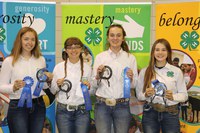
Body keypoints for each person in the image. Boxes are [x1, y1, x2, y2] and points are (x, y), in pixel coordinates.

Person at [0, 27, 53, 133]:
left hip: (38, 106)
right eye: (26, 39)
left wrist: (48, 80)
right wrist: (13, 87)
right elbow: (1, 86)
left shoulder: (41, 60)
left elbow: (44, 86)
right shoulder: (9, 61)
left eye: (33, 39)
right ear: (20, 40)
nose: (30, 42)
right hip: (18, 106)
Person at [92, 24, 138, 133]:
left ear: (123, 38)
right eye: (112, 35)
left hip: (122, 105)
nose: (115, 38)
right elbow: (93, 85)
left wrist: (131, 79)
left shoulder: (130, 58)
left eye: (118, 35)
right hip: (102, 105)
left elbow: (135, 85)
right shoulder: (100, 57)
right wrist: (98, 76)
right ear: (108, 38)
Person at [136, 38, 188, 133]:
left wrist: (173, 97)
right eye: (157, 50)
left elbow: (184, 95)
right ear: (153, 52)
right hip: (150, 112)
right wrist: (146, 94)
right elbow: (139, 95)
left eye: (163, 50)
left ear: (168, 52)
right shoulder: (145, 71)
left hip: (171, 113)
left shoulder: (176, 71)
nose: (160, 53)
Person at [50, 37, 92, 133]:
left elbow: (92, 91)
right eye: (70, 47)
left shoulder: (88, 68)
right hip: (63, 112)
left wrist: (89, 86)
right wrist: (58, 84)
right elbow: (53, 91)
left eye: (76, 47)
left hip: (82, 111)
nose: (73, 50)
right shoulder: (58, 67)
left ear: (81, 49)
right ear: (65, 50)